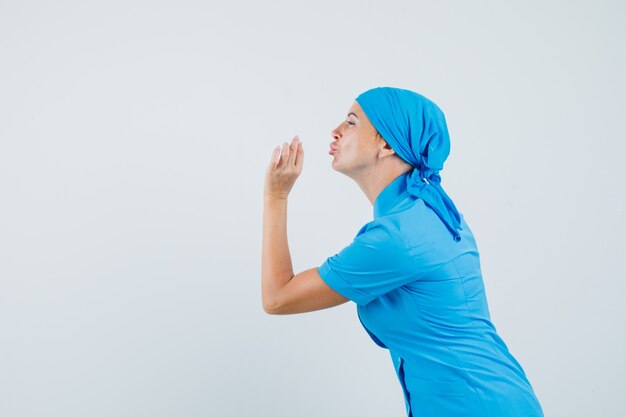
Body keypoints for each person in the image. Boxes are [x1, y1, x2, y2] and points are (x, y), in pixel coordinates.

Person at [262, 86, 544, 417]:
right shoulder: (429, 213)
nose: (335, 130)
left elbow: (278, 297)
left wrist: (275, 197)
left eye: (351, 122)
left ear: (387, 144)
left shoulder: (399, 236)